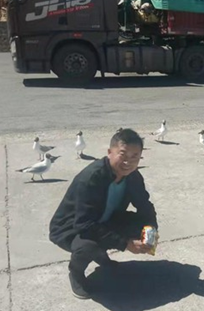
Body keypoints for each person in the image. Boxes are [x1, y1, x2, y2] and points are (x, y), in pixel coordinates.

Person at [49, 128, 158, 299]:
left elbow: (144, 205)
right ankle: (76, 273)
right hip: (71, 228)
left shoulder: (133, 176)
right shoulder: (91, 178)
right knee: (88, 245)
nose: (128, 162)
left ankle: (102, 258)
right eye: (123, 154)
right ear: (109, 152)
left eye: (134, 156)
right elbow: (84, 225)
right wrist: (126, 244)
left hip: (104, 220)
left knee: (142, 226)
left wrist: (151, 233)